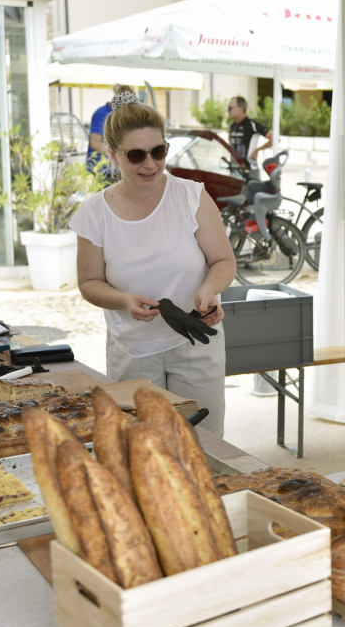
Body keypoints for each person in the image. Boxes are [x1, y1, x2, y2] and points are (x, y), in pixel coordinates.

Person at [72, 90, 235, 437]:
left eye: (158, 151)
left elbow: (223, 261)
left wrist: (208, 290)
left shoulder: (192, 195)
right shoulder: (94, 213)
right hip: (132, 348)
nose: (150, 164)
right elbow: (88, 282)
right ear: (113, 155)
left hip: (195, 344)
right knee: (142, 450)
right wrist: (123, 300)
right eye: (136, 155)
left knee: (202, 447)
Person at [86, 84, 130, 173]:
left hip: (113, 168)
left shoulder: (120, 113)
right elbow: (95, 142)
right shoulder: (102, 113)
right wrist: (117, 157)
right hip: (101, 170)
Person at [227, 96, 274, 171]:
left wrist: (257, 150)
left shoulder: (251, 125)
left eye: (230, 108)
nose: (228, 110)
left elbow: (274, 138)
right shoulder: (233, 126)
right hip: (234, 170)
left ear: (241, 109)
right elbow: (230, 138)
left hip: (250, 170)